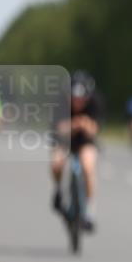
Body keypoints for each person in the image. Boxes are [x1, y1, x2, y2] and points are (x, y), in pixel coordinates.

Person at [51, 70, 103, 231]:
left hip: (85, 140)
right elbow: (59, 129)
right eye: (75, 98)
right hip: (65, 140)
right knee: (57, 163)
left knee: (88, 167)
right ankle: (59, 190)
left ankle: (89, 211)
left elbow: (94, 129)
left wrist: (81, 125)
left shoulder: (96, 102)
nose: (78, 102)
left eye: (82, 99)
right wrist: (77, 124)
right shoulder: (60, 102)